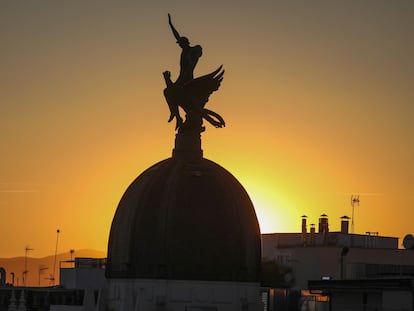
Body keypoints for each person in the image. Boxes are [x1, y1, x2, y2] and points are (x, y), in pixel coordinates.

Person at [168, 14, 202, 86]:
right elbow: (177, 36)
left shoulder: (191, 51)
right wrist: (170, 24)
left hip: (187, 77)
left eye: (180, 43)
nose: (179, 45)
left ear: (185, 43)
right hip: (181, 75)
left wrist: (191, 57)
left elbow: (198, 52)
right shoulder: (184, 51)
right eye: (179, 43)